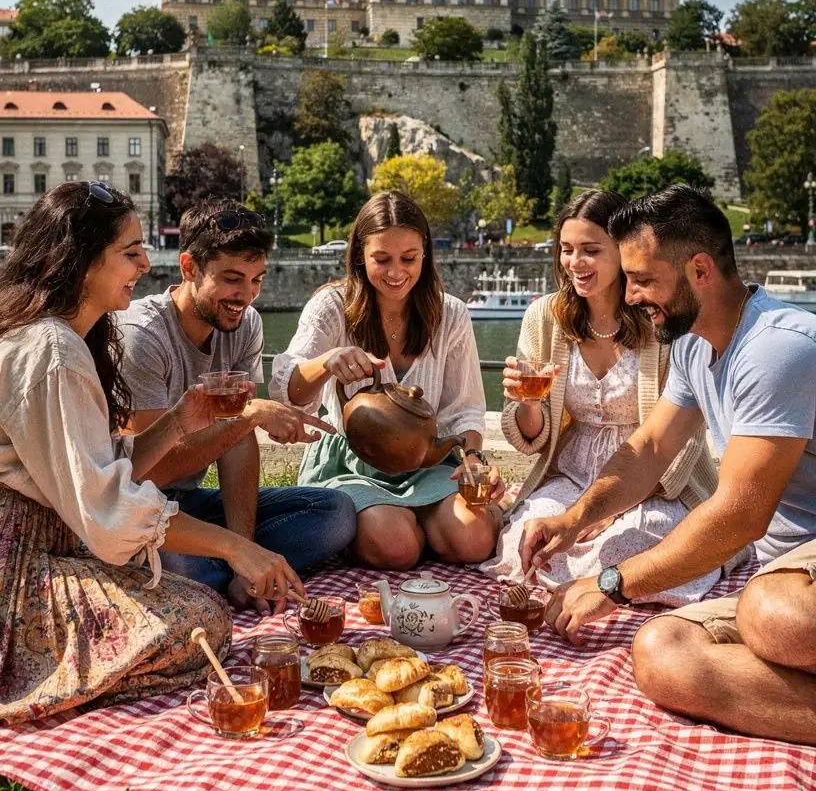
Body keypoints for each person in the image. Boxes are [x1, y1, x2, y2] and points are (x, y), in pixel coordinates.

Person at [0, 182, 307, 724]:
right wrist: (237, 548)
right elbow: (110, 508)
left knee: (326, 515)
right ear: (83, 261)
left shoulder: (64, 338)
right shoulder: (54, 350)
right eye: (131, 252)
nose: (145, 264)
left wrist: (179, 421)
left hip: (62, 534)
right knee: (201, 623)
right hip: (19, 566)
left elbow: (98, 467)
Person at [522, 184, 816, 746]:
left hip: (788, 583)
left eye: (643, 279)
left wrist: (611, 585)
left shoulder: (778, 348)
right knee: (660, 651)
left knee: (774, 615)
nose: (631, 295)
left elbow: (740, 515)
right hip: (785, 572)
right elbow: (649, 449)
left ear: (699, 270)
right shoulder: (692, 346)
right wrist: (573, 520)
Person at [120, 198, 356, 612]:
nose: (245, 296)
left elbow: (236, 439)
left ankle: (238, 569)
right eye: (232, 279)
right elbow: (149, 468)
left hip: (192, 506)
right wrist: (251, 415)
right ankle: (235, 568)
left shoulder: (245, 325)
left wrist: (242, 549)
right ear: (189, 268)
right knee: (178, 563)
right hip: (136, 508)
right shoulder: (143, 335)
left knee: (336, 513)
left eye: (256, 280)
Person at [484, 189, 720, 603]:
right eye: (566, 249)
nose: (575, 262)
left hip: (655, 482)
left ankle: (597, 594)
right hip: (572, 474)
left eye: (590, 250)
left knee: (624, 548)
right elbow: (531, 440)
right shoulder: (544, 316)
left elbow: (684, 437)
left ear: (622, 252)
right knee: (529, 535)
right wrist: (528, 403)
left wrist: (611, 507)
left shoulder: (661, 319)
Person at [269, 191, 502, 569]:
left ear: (425, 253)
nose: (396, 272)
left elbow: (466, 410)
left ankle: (424, 523)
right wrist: (327, 362)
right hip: (353, 463)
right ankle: (415, 527)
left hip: (426, 462)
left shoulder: (452, 314)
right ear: (360, 255)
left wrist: (473, 458)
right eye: (382, 259)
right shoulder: (332, 305)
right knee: (396, 547)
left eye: (409, 258)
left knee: (473, 540)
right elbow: (287, 389)